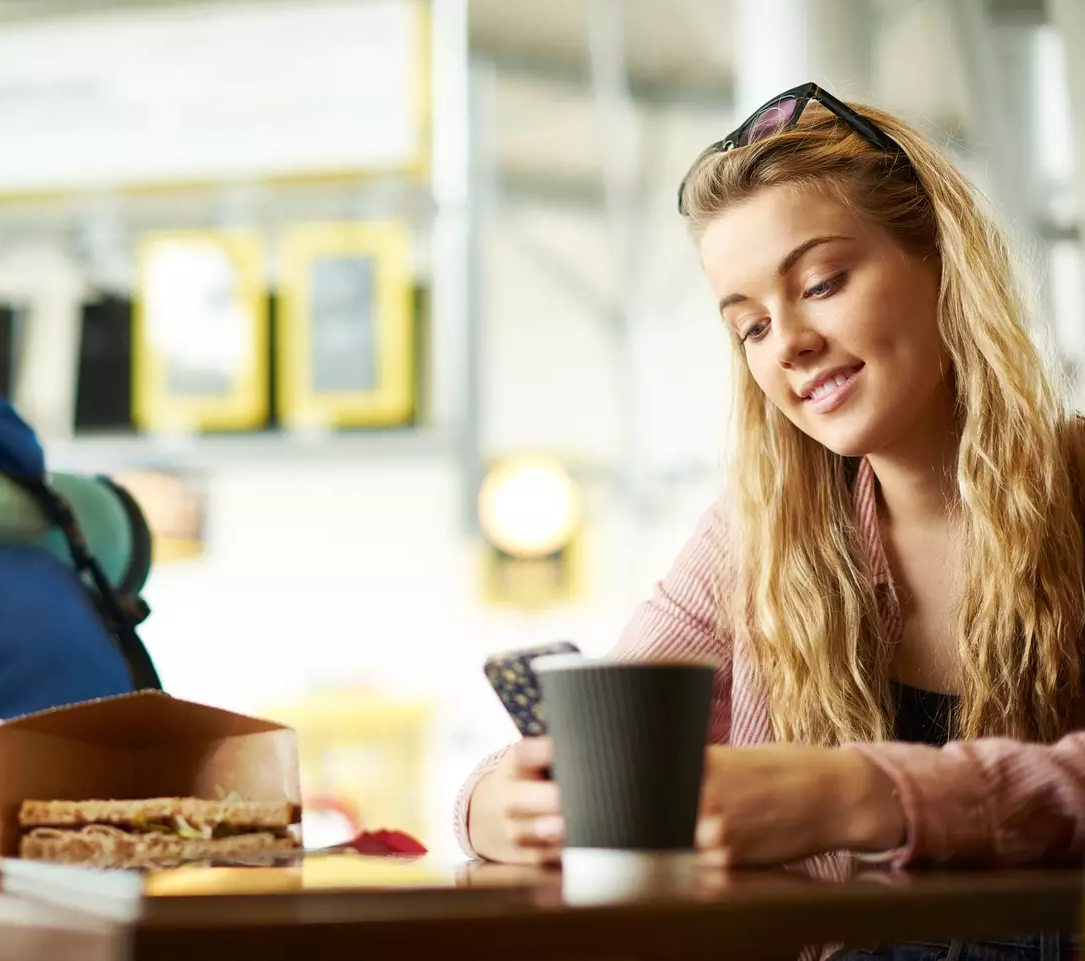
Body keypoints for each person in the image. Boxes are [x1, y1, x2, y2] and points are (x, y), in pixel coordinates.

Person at [458, 83, 1085, 882]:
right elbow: (594, 750)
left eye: (822, 283)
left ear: (940, 260)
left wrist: (857, 794)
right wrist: (497, 804)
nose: (786, 343)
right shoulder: (756, 540)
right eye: (749, 325)